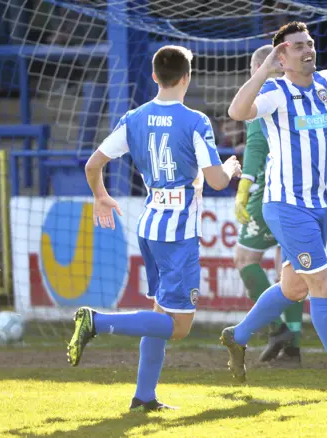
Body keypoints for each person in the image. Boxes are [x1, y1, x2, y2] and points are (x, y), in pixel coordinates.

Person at [67, 45, 241, 411]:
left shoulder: (134, 117)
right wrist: (231, 168)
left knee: (161, 314)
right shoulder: (195, 121)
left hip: (149, 228)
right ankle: (96, 321)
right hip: (178, 234)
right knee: (179, 326)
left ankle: (144, 397)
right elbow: (217, 180)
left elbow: (92, 164)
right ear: (187, 77)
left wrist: (100, 197)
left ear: (154, 76)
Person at [221, 21, 327, 395]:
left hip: (317, 206)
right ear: (283, 56)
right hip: (285, 206)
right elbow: (237, 110)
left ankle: (239, 335)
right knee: (323, 284)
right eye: (297, 46)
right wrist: (266, 68)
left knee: (294, 287)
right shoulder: (276, 92)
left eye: (309, 43)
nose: (307, 50)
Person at [234, 45, 305, 366]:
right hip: (301, 192)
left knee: (245, 259)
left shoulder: (261, 95)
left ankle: (275, 327)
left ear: (260, 67)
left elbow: (256, 144)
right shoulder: (299, 93)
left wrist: (245, 184)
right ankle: (292, 344)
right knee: (289, 267)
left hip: (269, 193)